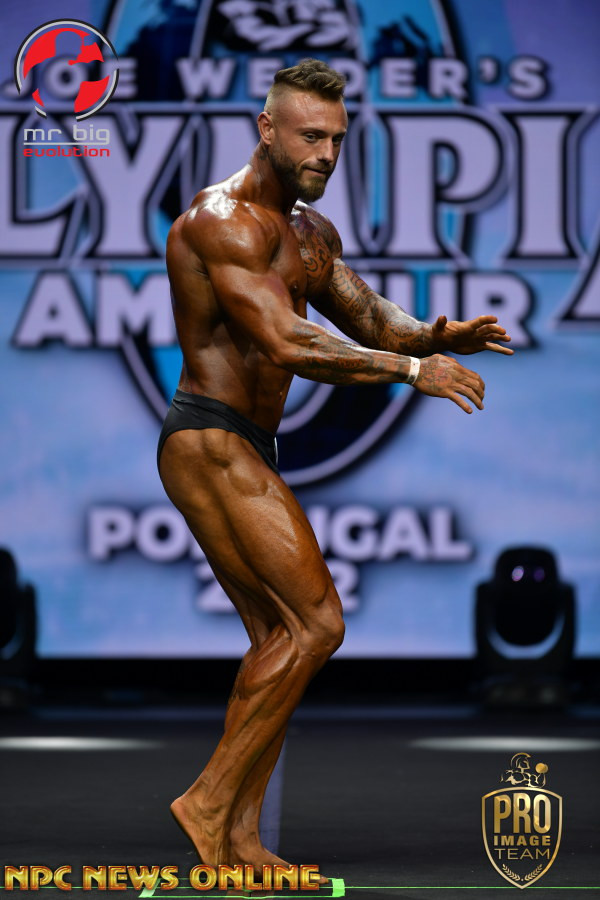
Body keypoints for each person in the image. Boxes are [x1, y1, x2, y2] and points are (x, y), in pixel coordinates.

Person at [158, 58, 513, 872]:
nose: (325, 153)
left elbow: (369, 316)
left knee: (277, 640)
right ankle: (208, 802)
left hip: (246, 444)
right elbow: (286, 341)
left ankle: (240, 841)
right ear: (267, 129)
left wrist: (434, 336)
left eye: (338, 139)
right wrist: (413, 371)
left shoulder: (310, 235)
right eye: (310, 136)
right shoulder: (221, 222)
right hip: (209, 439)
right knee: (318, 624)